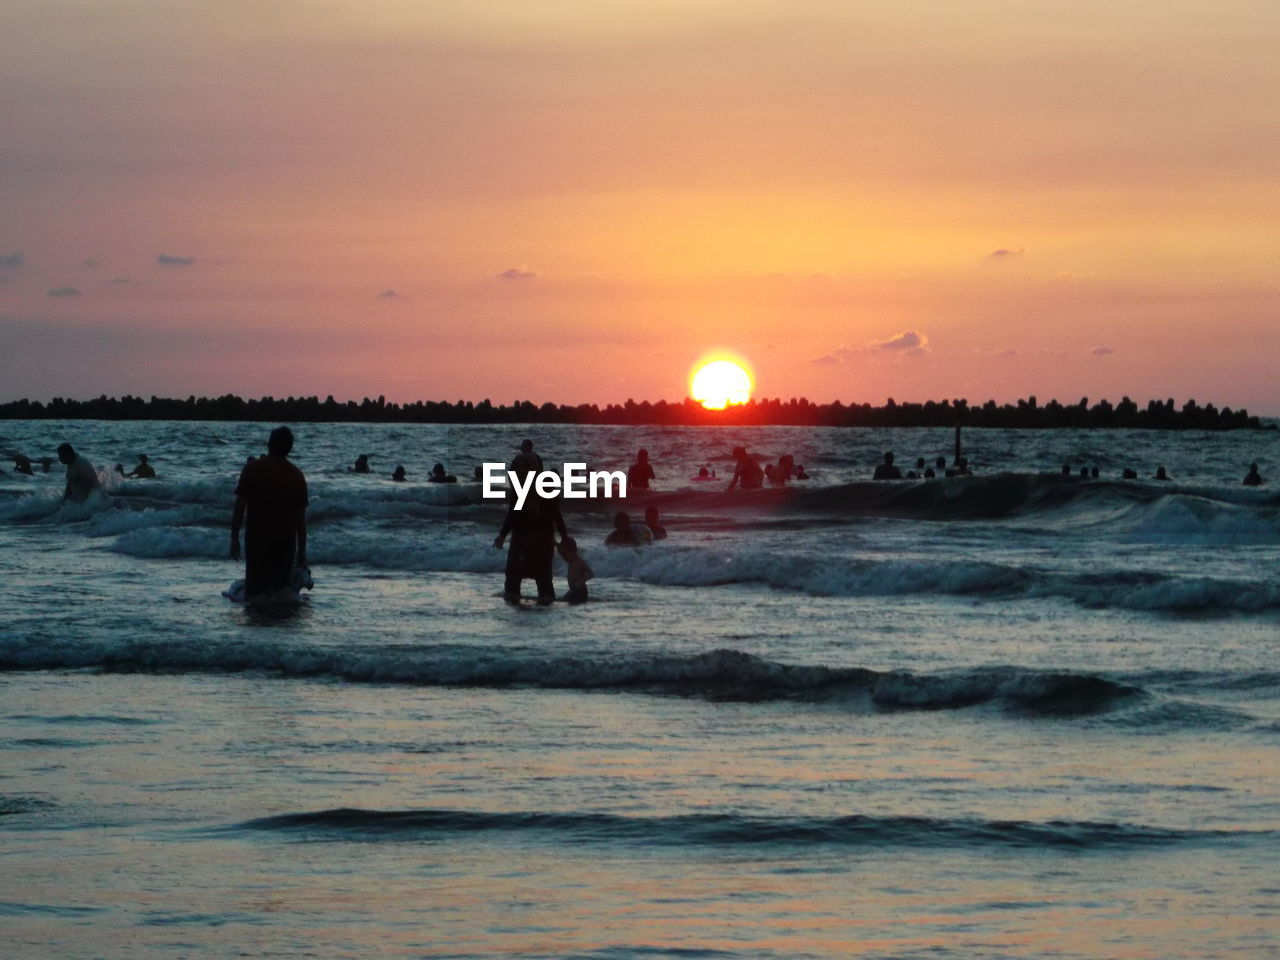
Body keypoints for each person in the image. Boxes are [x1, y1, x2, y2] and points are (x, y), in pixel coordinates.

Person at [229, 427, 308, 603]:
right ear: (289, 448)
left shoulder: (252, 469)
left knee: (257, 594)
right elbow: (300, 520)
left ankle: (260, 622)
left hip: (258, 541)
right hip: (285, 543)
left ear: (269, 444)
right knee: (281, 592)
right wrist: (302, 550)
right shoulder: (296, 475)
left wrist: (234, 538)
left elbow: (239, 507)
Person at [494, 467, 567, 605]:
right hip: (538, 539)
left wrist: (502, 535)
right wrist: (564, 537)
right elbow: (557, 517)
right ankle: (543, 603)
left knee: (516, 578)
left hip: (527, 539)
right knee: (542, 579)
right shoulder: (547, 491)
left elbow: (513, 515)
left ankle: (516, 598)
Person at [557, 536, 594, 605]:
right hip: (573, 590)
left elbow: (591, 573)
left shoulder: (580, 562)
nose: (565, 558)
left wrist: (582, 581)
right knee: (563, 600)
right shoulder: (571, 561)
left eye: (565, 555)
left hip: (581, 590)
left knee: (572, 604)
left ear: (573, 551)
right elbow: (560, 550)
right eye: (563, 556)